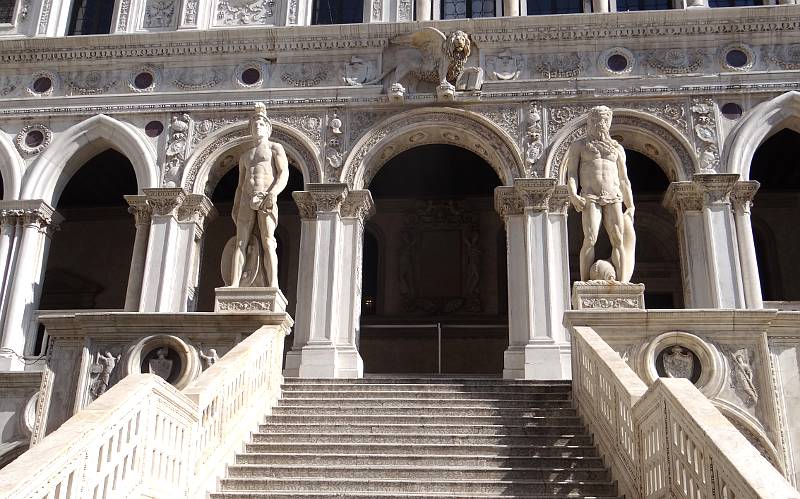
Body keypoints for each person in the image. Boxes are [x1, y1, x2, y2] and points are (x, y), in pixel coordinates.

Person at [565, 106, 635, 282]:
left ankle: (622, 282)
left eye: (603, 120)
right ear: (590, 122)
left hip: (614, 195)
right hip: (590, 195)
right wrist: (573, 194)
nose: (600, 124)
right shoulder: (580, 145)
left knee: (618, 239)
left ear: (609, 123)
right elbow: (572, 173)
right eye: (596, 120)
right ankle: (584, 282)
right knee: (590, 238)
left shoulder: (617, 148)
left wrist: (631, 204)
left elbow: (624, 179)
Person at [230, 103, 289, 288]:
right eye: (255, 125)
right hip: (247, 199)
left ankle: (273, 284)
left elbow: (283, 173)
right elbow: (240, 184)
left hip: (266, 196)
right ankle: (234, 283)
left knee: (268, 241)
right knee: (240, 242)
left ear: (268, 128)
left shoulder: (274, 148)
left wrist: (273, 193)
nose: (257, 127)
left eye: (261, 124)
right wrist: (236, 204)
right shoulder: (245, 155)